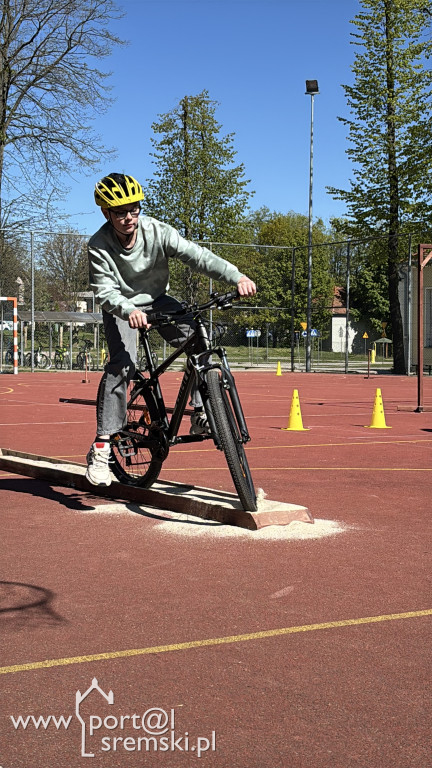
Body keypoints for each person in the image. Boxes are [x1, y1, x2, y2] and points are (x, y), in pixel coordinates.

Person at [85, 172, 257, 486]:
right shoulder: (99, 245)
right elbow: (105, 292)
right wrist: (128, 310)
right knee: (122, 365)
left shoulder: (157, 231)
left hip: (157, 300)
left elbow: (198, 256)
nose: (129, 217)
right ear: (106, 213)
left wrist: (236, 277)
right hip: (122, 307)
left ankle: (201, 411)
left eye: (133, 208)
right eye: (120, 212)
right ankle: (102, 447)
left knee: (198, 339)